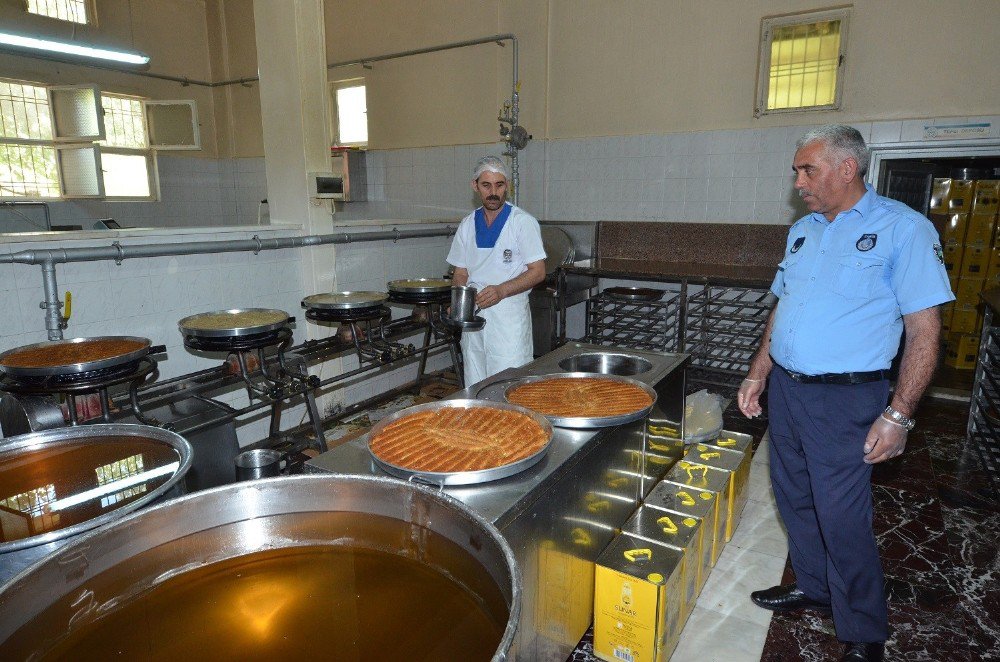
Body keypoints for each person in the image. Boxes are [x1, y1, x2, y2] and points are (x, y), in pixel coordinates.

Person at [737, 125, 954, 662]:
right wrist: (757, 373)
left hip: (847, 399)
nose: (797, 181)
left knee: (842, 515)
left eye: (807, 169)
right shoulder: (804, 231)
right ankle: (813, 586)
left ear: (847, 169)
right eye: (797, 169)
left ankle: (862, 631)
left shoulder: (903, 229)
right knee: (793, 495)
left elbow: (925, 330)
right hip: (787, 390)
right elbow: (781, 310)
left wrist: (900, 414)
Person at [446, 156, 546, 386]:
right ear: (475, 186)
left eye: (499, 185)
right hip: (474, 317)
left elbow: (538, 271)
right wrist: (459, 302)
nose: (493, 192)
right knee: (475, 378)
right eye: (486, 185)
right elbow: (461, 272)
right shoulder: (467, 224)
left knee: (509, 382)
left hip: (508, 318)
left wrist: (501, 291)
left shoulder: (522, 222)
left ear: (507, 186)